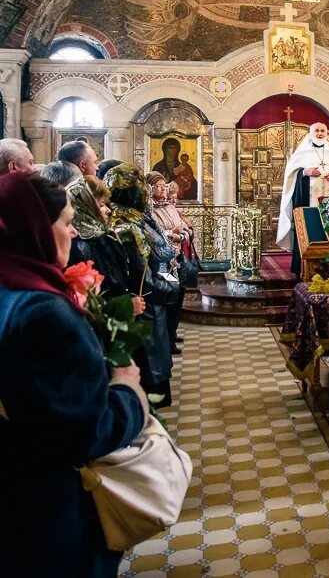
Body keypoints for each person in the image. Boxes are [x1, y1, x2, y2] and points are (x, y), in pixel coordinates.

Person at [0, 171, 147, 577]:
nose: (74, 231)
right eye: (66, 223)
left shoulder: (9, 289)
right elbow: (85, 432)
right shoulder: (42, 312)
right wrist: (128, 391)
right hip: (46, 507)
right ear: (37, 229)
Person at [106, 164, 180, 406]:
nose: (146, 192)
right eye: (141, 187)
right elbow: (140, 274)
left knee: (154, 367)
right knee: (148, 374)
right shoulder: (126, 225)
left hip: (151, 300)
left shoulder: (137, 218)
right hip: (144, 304)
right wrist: (169, 290)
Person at [66, 177, 146, 318]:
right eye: (101, 205)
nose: (108, 210)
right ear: (86, 208)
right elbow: (83, 300)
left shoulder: (103, 236)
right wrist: (123, 306)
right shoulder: (78, 245)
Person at [276, 123, 329, 276]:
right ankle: (304, 270)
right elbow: (291, 175)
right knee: (309, 233)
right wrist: (304, 171)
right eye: (317, 131)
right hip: (308, 204)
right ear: (311, 133)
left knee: (328, 234)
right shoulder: (302, 152)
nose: (320, 133)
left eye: (323, 131)